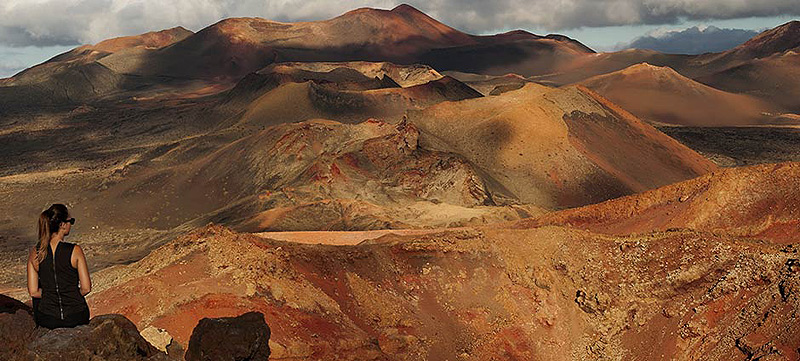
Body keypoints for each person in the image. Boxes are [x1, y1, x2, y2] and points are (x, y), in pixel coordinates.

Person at [26, 203, 91, 329]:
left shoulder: (35, 253)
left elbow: (33, 292)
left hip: (48, 319)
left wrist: (53, 295)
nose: (71, 224)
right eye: (70, 221)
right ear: (62, 224)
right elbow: (86, 288)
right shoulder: (75, 251)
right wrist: (69, 295)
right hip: (76, 317)